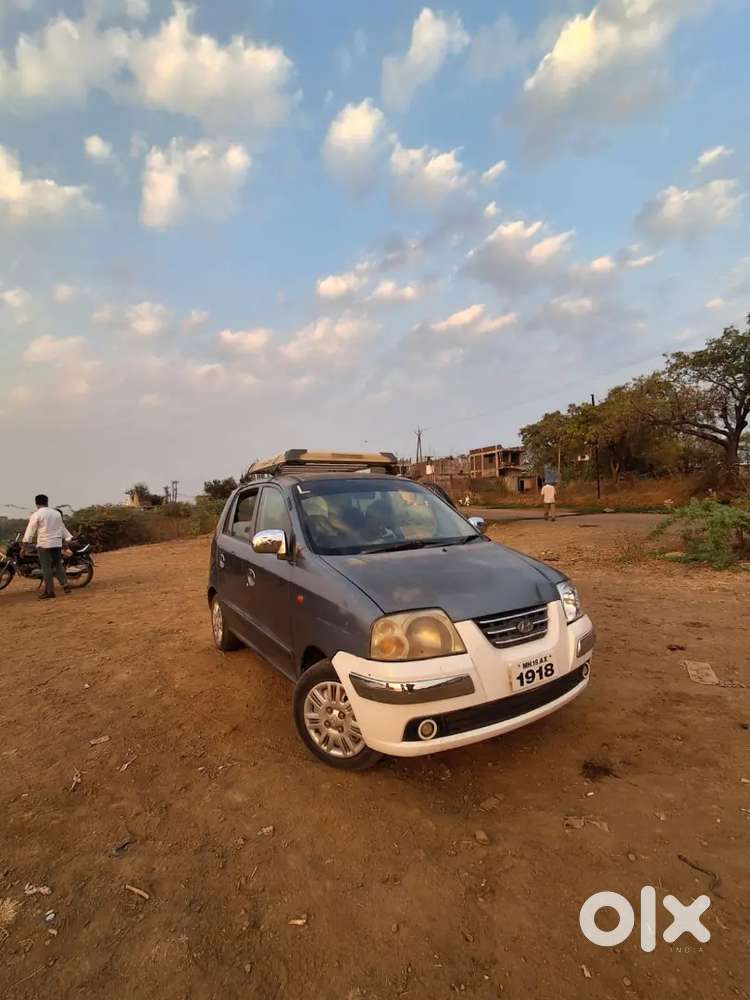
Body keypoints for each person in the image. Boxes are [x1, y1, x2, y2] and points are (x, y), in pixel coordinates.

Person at [23, 494, 73, 599]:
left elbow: (30, 530)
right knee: (58, 564)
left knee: (46, 568)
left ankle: (50, 591)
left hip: (44, 544)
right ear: (47, 502)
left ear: (36, 503)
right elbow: (61, 527)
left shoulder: (37, 514)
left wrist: (25, 544)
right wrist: (66, 540)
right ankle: (65, 585)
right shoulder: (56, 514)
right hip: (57, 543)